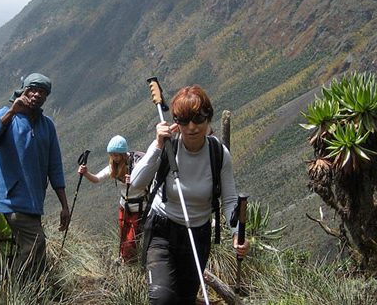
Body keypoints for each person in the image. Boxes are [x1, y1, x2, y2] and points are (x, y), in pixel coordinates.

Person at [129, 85, 249, 305]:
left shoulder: (218, 154)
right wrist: (157, 144)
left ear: (208, 118)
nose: (192, 127)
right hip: (161, 232)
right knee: (162, 299)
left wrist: (237, 234)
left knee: (185, 299)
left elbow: (230, 199)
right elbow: (135, 185)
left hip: (198, 236)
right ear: (176, 122)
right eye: (184, 121)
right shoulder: (167, 147)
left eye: (198, 119)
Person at [0, 72, 69, 277]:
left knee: (34, 251)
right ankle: (16, 287)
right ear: (23, 91)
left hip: (34, 200)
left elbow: (55, 166)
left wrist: (64, 205)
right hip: (11, 197)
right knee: (36, 243)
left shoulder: (47, 126)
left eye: (43, 92)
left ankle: (17, 287)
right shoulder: (6, 115)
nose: (37, 95)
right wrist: (11, 112)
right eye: (33, 90)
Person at [77, 135, 146, 264]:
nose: (114, 157)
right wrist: (85, 173)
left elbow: (146, 182)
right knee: (124, 238)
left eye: (116, 154)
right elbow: (97, 179)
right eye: (112, 154)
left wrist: (134, 181)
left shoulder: (137, 164)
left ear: (123, 153)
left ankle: (129, 265)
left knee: (130, 241)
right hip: (124, 206)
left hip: (138, 209)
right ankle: (126, 263)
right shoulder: (113, 166)